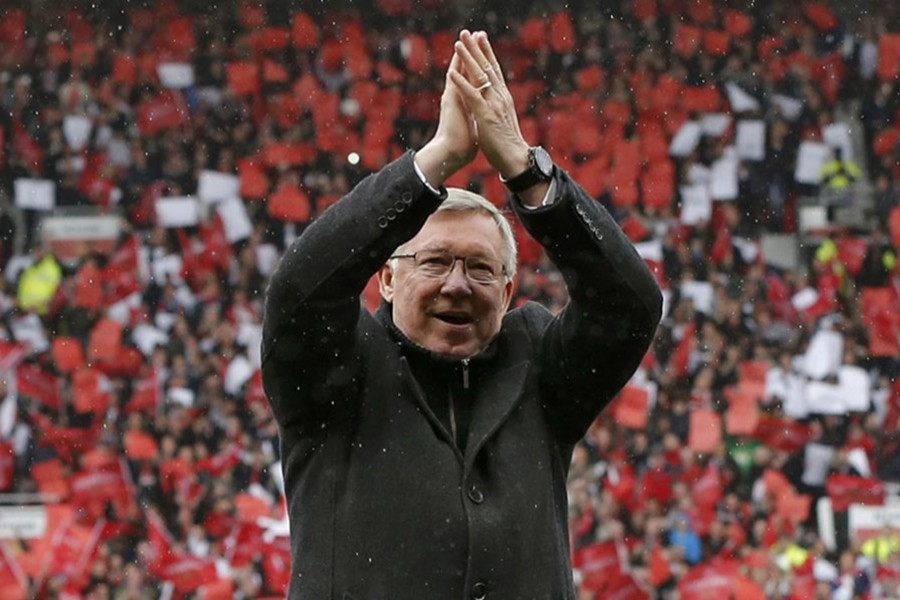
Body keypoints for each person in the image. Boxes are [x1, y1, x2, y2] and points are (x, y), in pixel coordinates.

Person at [261, 30, 662, 600]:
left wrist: (527, 172)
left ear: (506, 294)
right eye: (435, 262)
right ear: (389, 277)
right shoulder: (339, 370)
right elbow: (300, 288)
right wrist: (436, 161)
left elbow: (630, 305)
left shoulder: (538, 370)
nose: (457, 285)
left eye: (480, 269)